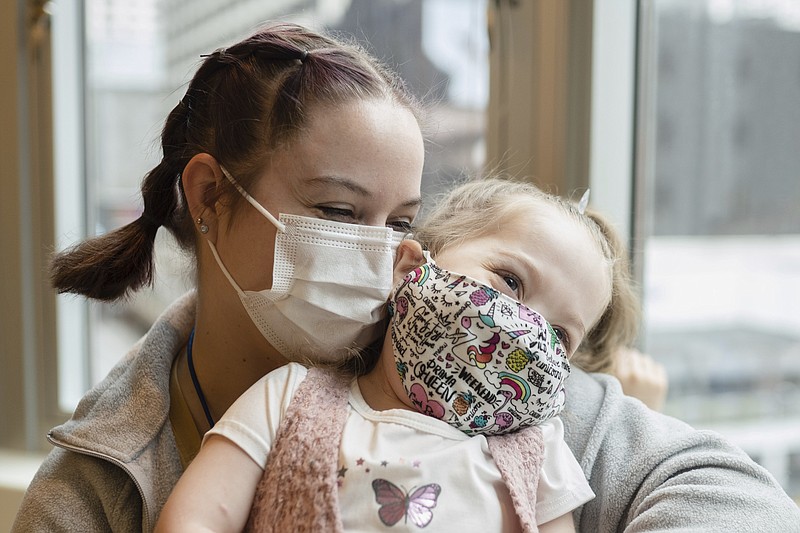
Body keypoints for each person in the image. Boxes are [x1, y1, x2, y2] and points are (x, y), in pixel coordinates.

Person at [13, 21, 799, 533]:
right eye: (339, 210)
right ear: (212, 195)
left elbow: (732, 495)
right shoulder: (92, 489)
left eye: (399, 222)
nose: (387, 257)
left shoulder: (489, 382)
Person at [155, 177, 610, 532]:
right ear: (411, 268)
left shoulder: (539, 450)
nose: (526, 332)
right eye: (510, 281)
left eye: (558, 335)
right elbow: (193, 521)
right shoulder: (288, 398)